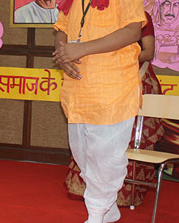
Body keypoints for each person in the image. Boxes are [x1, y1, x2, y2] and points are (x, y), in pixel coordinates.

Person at [53, 0, 146, 223]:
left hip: (112, 88)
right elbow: (62, 26)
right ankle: (107, 210)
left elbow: (133, 31)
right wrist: (64, 54)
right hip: (79, 88)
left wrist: (80, 50)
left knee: (106, 160)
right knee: (84, 156)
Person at [64, 11, 164, 207]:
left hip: (131, 80)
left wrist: (114, 59)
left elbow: (148, 52)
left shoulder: (140, 16)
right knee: (91, 133)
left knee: (126, 138)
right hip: (100, 80)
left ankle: (122, 192)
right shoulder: (95, 15)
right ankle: (92, 190)